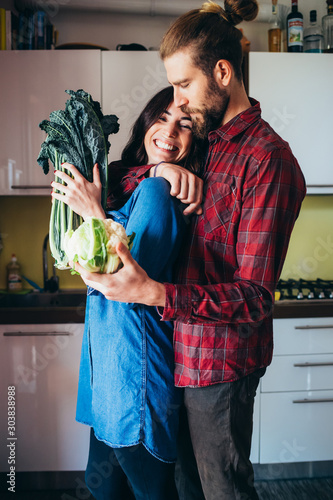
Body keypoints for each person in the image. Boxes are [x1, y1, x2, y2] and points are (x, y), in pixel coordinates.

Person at [73, 1, 307, 499]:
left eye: (183, 85)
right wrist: (159, 171)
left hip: (219, 367)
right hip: (177, 358)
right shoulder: (211, 139)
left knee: (222, 490)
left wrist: (156, 293)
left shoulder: (268, 161)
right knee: (188, 491)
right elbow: (133, 176)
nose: (179, 101)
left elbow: (255, 298)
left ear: (223, 73)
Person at [51, 86, 204, 500]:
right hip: (105, 371)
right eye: (163, 118)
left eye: (185, 124)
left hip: (134, 375)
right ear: (145, 122)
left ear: (195, 140)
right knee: (105, 491)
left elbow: (123, 282)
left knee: (150, 492)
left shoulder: (157, 193)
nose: (170, 131)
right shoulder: (130, 181)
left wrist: (94, 213)